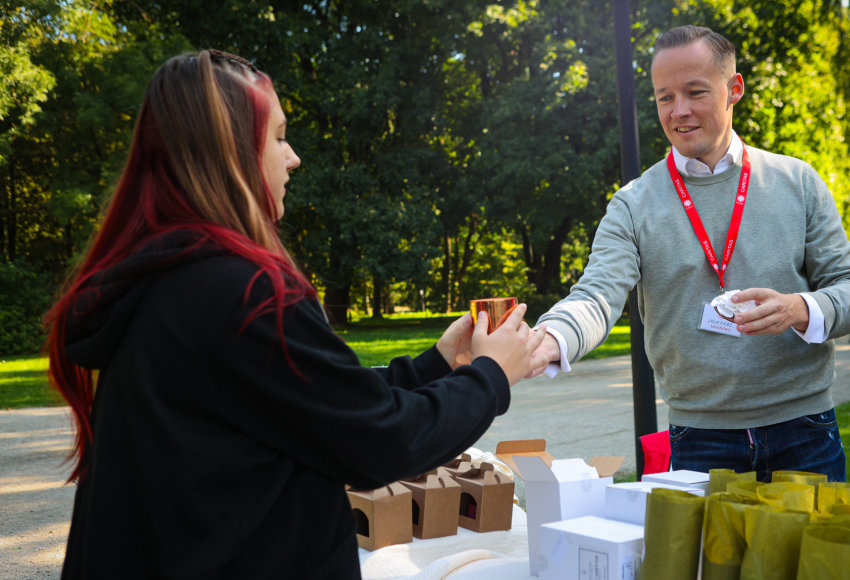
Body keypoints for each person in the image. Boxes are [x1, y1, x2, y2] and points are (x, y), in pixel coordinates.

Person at [45, 50, 547, 578]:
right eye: (279, 137)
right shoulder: (245, 293)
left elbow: (313, 403)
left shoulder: (167, 279)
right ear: (233, 151)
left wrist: (439, 364)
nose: (293, 158)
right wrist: (491, 377)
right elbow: (380, 443)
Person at [530, 25, 850, 483]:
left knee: (813, 559)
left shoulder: (797, 182)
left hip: (805, 431)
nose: (680, 112)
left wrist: (799, 308)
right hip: (699, 439)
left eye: (695, 92)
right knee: (709, 561)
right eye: (664, 98)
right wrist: (550, 339)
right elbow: (597, 295)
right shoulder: (633, 204)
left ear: (734, 89)